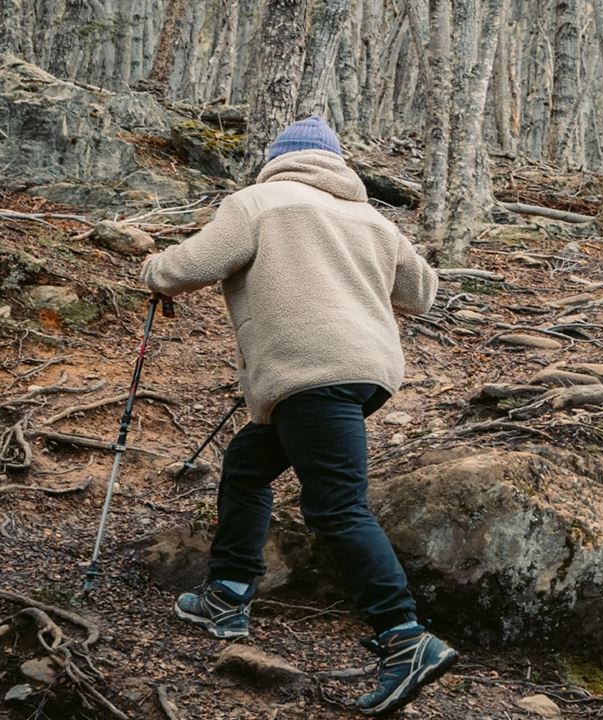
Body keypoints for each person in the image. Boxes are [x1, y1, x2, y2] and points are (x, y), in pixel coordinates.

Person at [140, 115, 455, 716]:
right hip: (367, 373)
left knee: (337, 506)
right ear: (336, 164)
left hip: (312, 373)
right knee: (248, 464)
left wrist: (151, 271)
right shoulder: (372, 219)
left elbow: (189, 266)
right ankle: (228, 592)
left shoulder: (260, 201)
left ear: (278, 159)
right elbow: (422, 294)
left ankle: (405, 637)